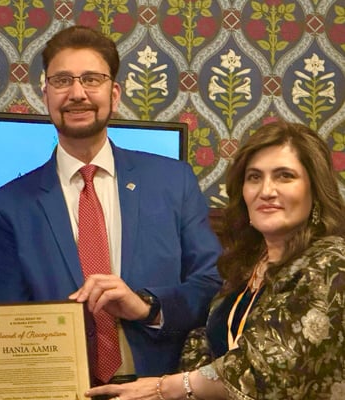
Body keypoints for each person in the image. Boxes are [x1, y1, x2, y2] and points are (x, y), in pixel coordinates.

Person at [0, 25, 223, 384]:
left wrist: (146, 306)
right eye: (62, 81)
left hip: (161, 387)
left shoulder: (173, 182)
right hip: (60, 389)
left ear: (114, 92)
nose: (77, 93)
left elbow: (209, 283)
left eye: (91, 79)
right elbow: (13, 314)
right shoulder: (7, 207)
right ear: (44, 94)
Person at [87, 120, 345, 399]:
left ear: (314, 189)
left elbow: (268, 369)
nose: (266, 191)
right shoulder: (247, 266)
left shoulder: (332, 264)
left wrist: (166, 387)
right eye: (254, 177)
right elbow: (204, 345)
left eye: (285, 176)